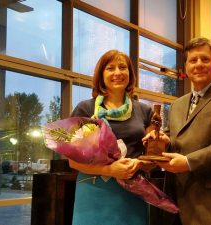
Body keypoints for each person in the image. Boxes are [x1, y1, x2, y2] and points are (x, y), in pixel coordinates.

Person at [143, 37, 211, 225]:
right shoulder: (178, 104)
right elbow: (174, 138)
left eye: (205, 59)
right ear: (186, 67)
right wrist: (162, 140)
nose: (199, 64)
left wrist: (188, 162)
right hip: (176, 205)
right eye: (193, 60)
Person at [69, 50, 155, 225]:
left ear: (130, 74)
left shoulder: (145, 111)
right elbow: (73, 162)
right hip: (94, 192)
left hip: (133, 190)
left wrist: (139, 163)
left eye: (123, 67)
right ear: (101, 75)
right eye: (110, 68)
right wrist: (109, 170)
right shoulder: (85, 109)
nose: (117, 73)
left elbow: (153, 158)